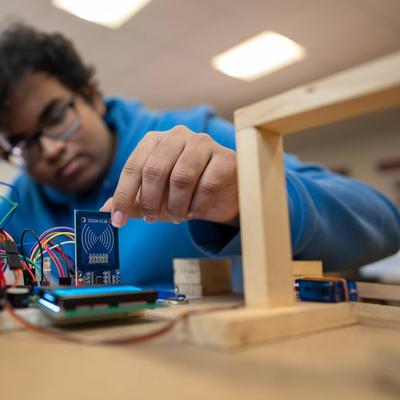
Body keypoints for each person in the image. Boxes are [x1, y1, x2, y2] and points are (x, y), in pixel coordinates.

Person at [0, 24, 398, 288]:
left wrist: (250, 200)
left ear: (92, 96)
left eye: (55, 117)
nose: (49, 150)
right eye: (23, 142)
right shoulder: (16, 207)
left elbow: (384, 222)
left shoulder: (195, 138)